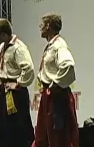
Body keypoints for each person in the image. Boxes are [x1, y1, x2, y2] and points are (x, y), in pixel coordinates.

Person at [32, 13, 79, 147]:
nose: (40, 28)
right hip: (50, 96)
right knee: (46, 134)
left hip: (57, 99)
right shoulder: (51, 46)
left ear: (48, 26)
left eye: (42, 25)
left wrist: (54, 86)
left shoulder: (59, 46)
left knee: (58, 135)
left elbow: (68, 66)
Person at [0, 18, 35, 147]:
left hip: (16, 92)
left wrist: (18, 83)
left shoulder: (18, 48)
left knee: (18, 125)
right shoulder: (2, 46)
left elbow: (28, 68)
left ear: (4, 34)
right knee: (4, 125)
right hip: (4, 90)